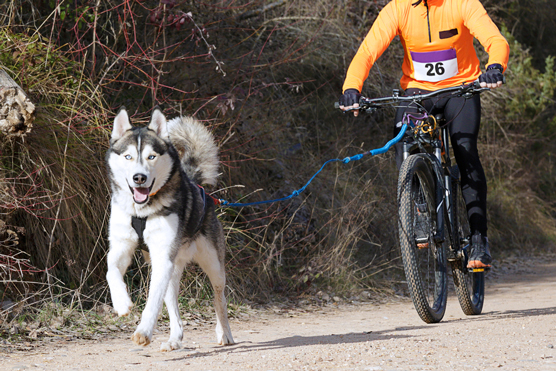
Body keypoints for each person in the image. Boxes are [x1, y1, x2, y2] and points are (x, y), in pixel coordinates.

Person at [338, 0, 509, 269]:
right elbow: (368, 51)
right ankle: (418, 205)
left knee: (465, 150)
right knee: (403, 141)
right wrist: (352, 87)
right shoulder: (398, 8)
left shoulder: (462, 3)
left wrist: (495, 67)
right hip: (419, 92)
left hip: (460, 89)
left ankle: (478, 239)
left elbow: (495, 40)